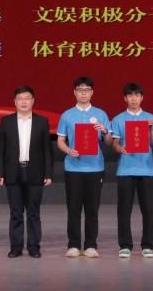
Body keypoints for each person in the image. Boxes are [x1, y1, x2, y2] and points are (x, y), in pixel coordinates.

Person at [56, 76, 113, 258]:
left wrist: (105, 130)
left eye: (86, 90)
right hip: (73, 168)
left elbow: (109, 141)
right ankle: (73, 245)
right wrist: (68, 150)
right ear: (74, 92)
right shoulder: (67, 115)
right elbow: (60, 140)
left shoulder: (101, 114)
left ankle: (90, 245)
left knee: (92, 209)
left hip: (95, 168)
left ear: (92, 92)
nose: (83, 93)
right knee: (73, 208)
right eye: (80, 90)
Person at [0, 85, 53, 258]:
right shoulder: (7, 121)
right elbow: (0, 150)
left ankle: (34, 247)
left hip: (35, 171)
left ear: (33, 101)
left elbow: (47, 150)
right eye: (20, 99)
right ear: (15, 102)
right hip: (13, 171)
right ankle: (16, 247)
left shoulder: (42, 121)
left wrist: (48, 173)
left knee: (34, 212)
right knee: (15, 212)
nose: (23, 102)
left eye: (27, 98)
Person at [110, 83, 153, 258]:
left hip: (146, 170)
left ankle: (148, 245)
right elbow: (115, 143)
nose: (133, 99)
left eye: (137, 95)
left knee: (148, 210)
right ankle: (125, 245)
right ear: (125, 98)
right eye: (130, 95)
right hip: (126, 170)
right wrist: (120, 148)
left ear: (142, 97)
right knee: (124, 210)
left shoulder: (151, 118)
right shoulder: (118, 119)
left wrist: (151, 129)